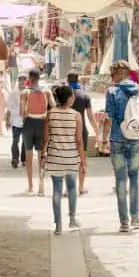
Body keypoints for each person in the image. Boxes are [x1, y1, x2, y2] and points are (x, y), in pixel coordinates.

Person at [104, 60, 139, 233]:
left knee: (120, 180)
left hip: (117, 139)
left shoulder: (112, 92)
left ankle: (124, 222)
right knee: (135, 178)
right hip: (135, 140)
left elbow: (109, 118)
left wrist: (102, 138)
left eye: (112, 74)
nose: (112, 78)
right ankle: (135, 217)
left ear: (118, 73)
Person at [42, 85, 85, 234]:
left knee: (57, 190)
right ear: (68, 99)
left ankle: (58, 225)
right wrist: (83, 161)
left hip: (54, 157)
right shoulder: (76, 115)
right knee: (72, 188)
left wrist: (43, 155)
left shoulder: (50, 114)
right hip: (71, 157)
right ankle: (72, 219)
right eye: (72, 96)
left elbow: (45, 139)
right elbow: (79, 141)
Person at [20, 69, 53, 195]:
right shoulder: (47, 91)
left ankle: (30, 186)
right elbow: (53, 106)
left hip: (29, 123)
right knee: (41, 155)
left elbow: (22, 112)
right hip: (42, 123)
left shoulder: (25, 92)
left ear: (30, 78)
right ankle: (41, 184)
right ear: (39, 78)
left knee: (29, 156)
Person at [66, 73, 94, 193]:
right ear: (78, 79)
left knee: (68, 159)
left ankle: (68, 189)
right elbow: (90, 117)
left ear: (67, 80)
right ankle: (81, 187)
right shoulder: (85, 96)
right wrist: (98, 133)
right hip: (82, 131)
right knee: (82, 159)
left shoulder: (64, 95)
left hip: (67, 130)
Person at [5, 81, 25, 168]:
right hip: (16, 121)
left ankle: (24, 159)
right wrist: (7, 120)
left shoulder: (29, 92)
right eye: (21, 79)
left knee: (25, 142)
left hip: (26, 121)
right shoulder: (13, 93)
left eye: (24, 79)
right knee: (15, 141)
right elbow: (9, 108)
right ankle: (15, 159)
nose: (23, 81)